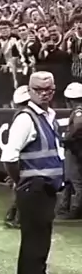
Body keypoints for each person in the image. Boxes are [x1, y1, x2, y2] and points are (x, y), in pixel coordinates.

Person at [1, 71, 72, 274]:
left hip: (42, 189)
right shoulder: (26, 119)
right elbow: (9, 156)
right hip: (35, 190)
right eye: (38, 90)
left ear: (54, 90)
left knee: (31, 244)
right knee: (38, 247)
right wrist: (21, 180)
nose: (44, 94)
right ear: (30, 91)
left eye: (48, 90)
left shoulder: (48, 117)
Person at [5, 85, 30, 229]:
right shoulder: (24, 117)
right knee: (20, 189)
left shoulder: (20, 116)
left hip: (20, 159)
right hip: (22, 160)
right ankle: (17, 218)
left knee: (18, 188)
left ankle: (12, 216)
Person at [57, 82, 82, 219]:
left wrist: (68, 138)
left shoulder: (78, 111)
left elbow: (79, 125)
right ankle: (64, 207)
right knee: (69, 179)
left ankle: (76, 210)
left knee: (75, 180)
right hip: (75, 149)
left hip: (74, 150)